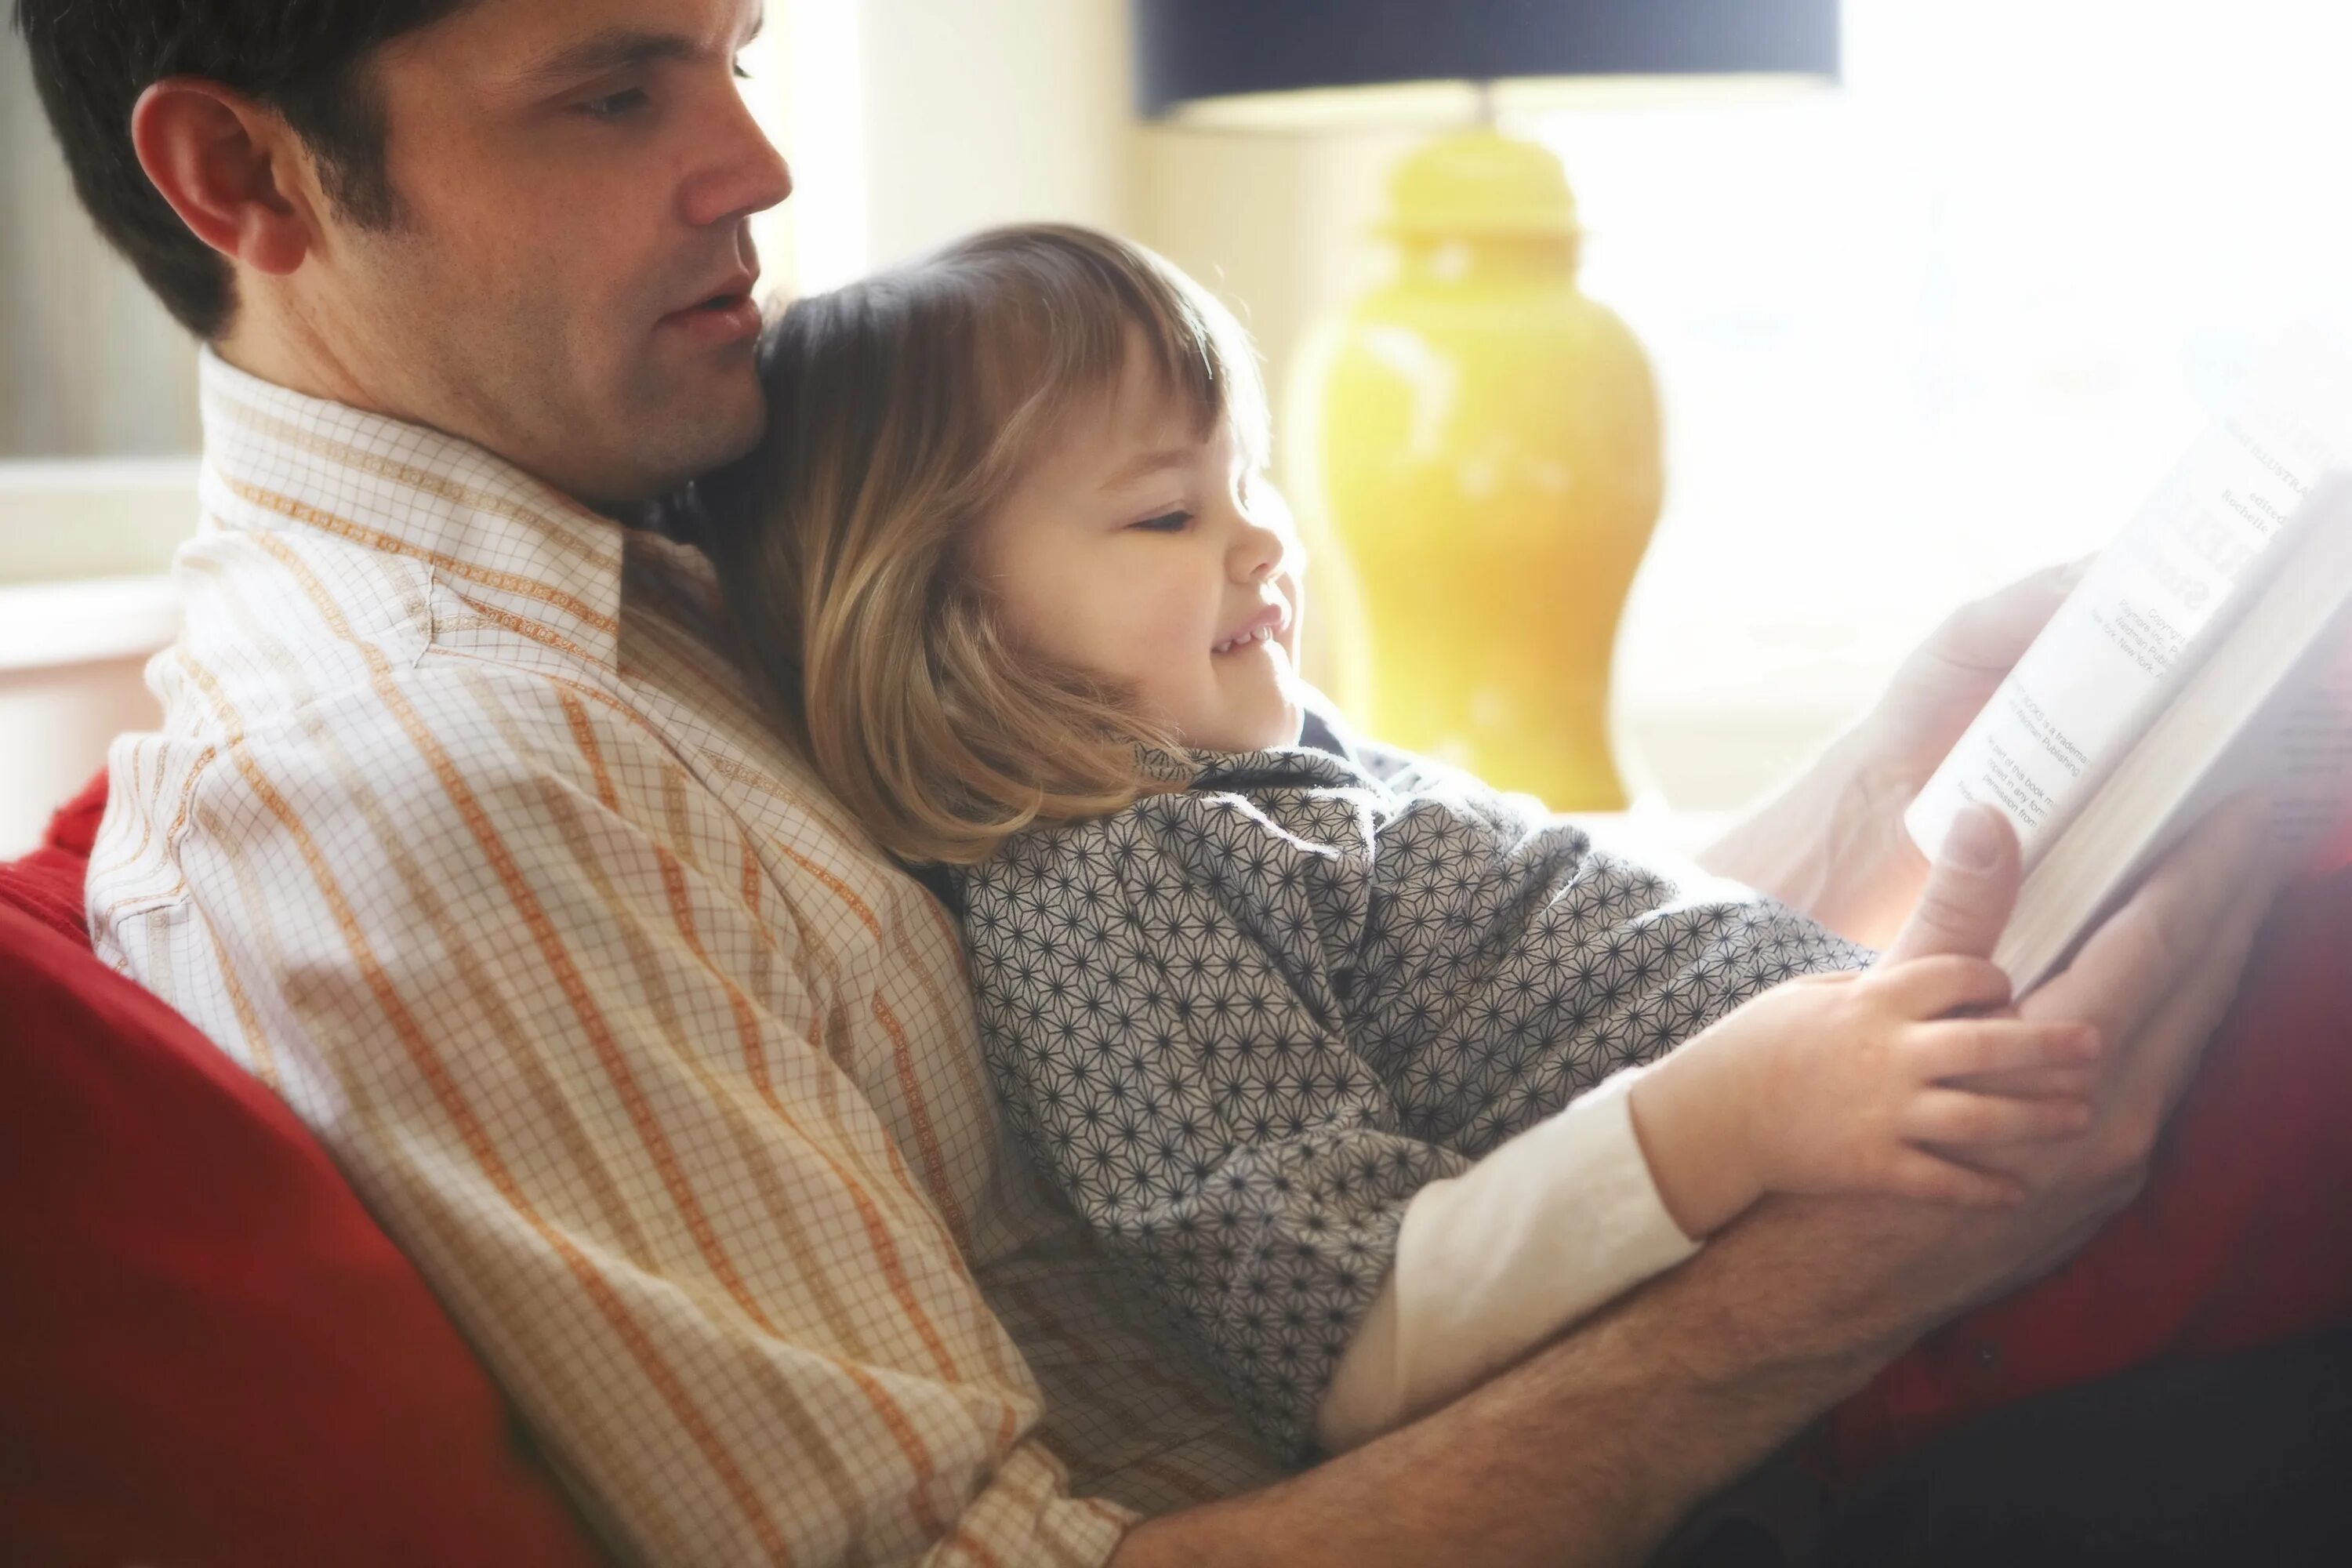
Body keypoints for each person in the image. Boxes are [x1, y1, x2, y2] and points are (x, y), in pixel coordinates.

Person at [15, 0, 2298, 1561]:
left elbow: (1391, 995)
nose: (761, 160)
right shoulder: (436, 792)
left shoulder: (691, 567)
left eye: (735, 47)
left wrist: (1902, 772)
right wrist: (1878, 1257)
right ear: (247, 173)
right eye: (614, 91)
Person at [684, 223, 2122, 1461]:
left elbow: (1582, 1000)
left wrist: (1892, 777)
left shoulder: (1252, 775)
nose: (1260, 541)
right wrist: (1740, 1111)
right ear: (954, 630)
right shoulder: (1103, 892)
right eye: (1169, 511)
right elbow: (1350, 1334)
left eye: (1248, 480)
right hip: (1928, 1329)